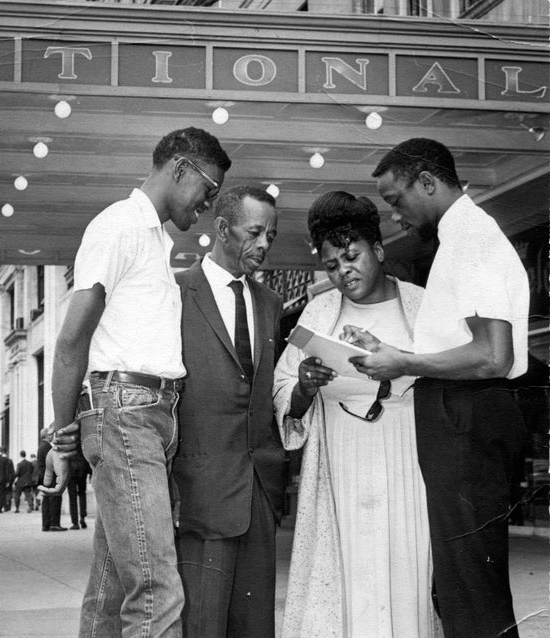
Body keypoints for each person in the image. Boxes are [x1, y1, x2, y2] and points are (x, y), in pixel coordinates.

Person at [345, 138, 529, 638]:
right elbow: (464, 346)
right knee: (462, 581)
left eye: (396, 200)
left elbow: (494, 355)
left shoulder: (471, 236)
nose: (395, 217)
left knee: (470, 584)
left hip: (467, 414)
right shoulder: (462, 237)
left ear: (427, 182)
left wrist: (402, 361)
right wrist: (395, 353)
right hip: (460, 412)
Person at [51, 127, 231, 637]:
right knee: (157, 591)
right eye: (208, 191)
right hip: (126, 414)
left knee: (112, 594)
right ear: (179, 170)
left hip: (146, 418)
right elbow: (70, 341)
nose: (208, 205)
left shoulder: (152, 237)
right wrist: (63, 436)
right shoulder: (119, 226)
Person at [273, 191, 432, 637]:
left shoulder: (420, 304)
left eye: (352, 256)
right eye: (331, 265)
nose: (343, 271)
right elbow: (284, 389)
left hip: (407, 454)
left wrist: (397, 359)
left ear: (378, 251)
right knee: (348, 571)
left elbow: (447, 375)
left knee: (407, 564)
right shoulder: (320, 310)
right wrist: (304, 385)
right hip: (342, 461)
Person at [173, 185, 285, 638]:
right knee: (201, 624)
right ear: (221, 228)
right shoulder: (175, 294)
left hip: (260, 488)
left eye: (271, 236)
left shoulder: (271, 303)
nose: (264, 245)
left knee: (255, 627)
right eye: (255, 232)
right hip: (200, 490)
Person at [37, 427, 65, 532]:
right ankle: (54, 523)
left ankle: (46, 524)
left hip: (44, 478)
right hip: (50, 477)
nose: (52, 436)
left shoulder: (42, 446)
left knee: (46, 501)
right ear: (47, 436)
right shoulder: (47, 447)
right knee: (54, 499)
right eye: (51, 434)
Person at [67, 441, 91, 530]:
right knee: (82, 494)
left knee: (72, 498)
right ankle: (82, 517)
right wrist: (90, 472)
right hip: (82, 471)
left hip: (71, 473)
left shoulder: (68, 443)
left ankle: (75, 522)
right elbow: (87, 457)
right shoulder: (82, 442)